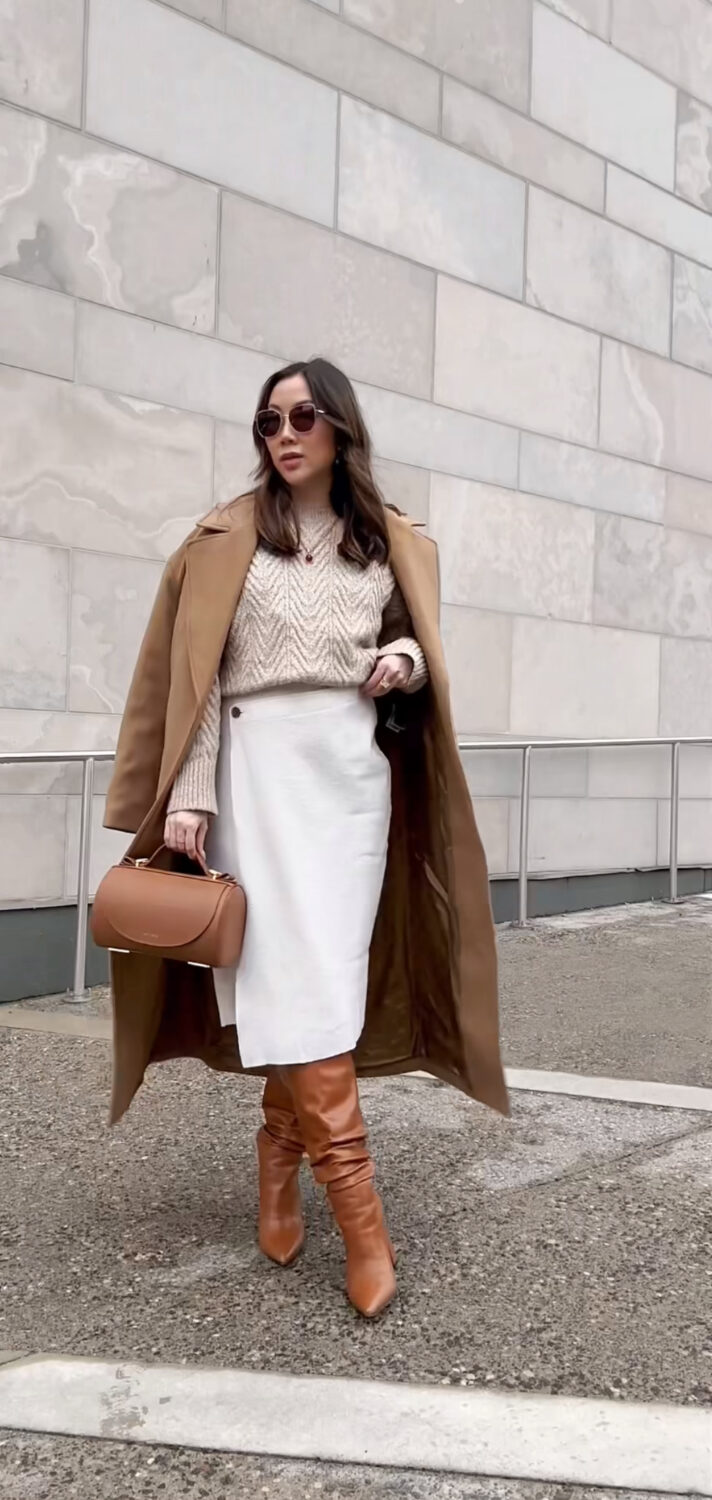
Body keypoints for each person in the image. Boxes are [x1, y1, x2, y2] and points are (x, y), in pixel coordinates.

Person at [103, 357, 507, 1319]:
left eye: (302, 418)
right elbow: (198, 682)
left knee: (328, 982)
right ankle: (363, 1222)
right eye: (268, 422)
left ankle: (278, 1158)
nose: (283, 435)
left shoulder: (388, 543)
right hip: (258, 775)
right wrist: (190, 794)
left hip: (351, 780)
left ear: (339, 431)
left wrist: (403, 660)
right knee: (298, 982)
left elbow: (417, 640)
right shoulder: (224, 542)